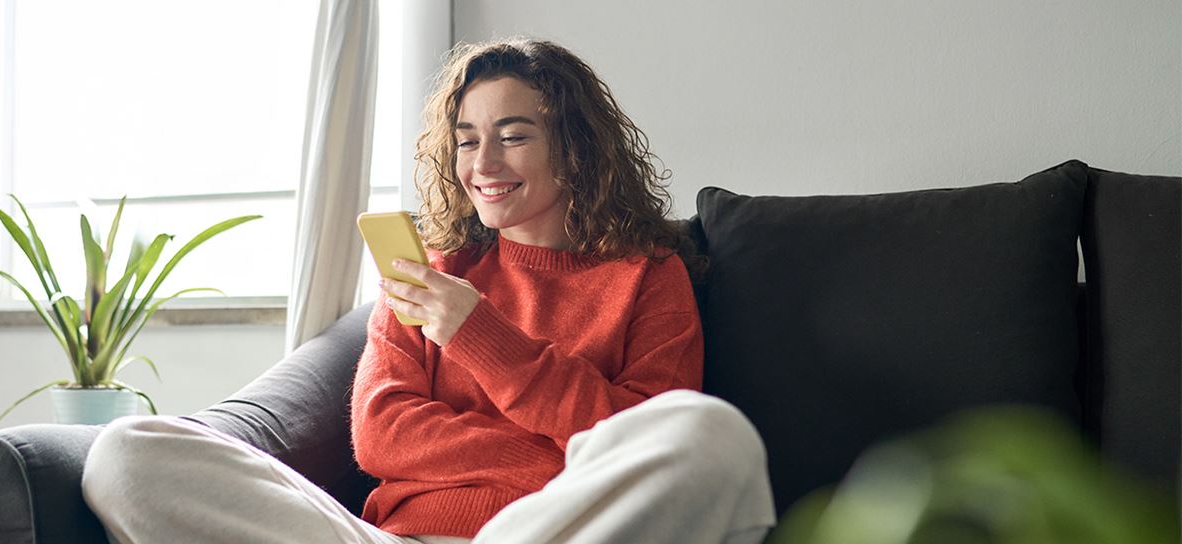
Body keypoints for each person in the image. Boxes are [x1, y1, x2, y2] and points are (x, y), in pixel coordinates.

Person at [82, 38, 774, 544]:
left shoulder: (649, 276)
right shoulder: (429, 271)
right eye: (467, 140)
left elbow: (643, 435)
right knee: (127, 451)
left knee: (711, 434)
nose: (484, 163)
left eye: (513, 136)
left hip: (556, 531)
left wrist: (482, 336)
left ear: (575, 149)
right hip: (395, 540)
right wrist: (560, 451)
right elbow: (382, 435)